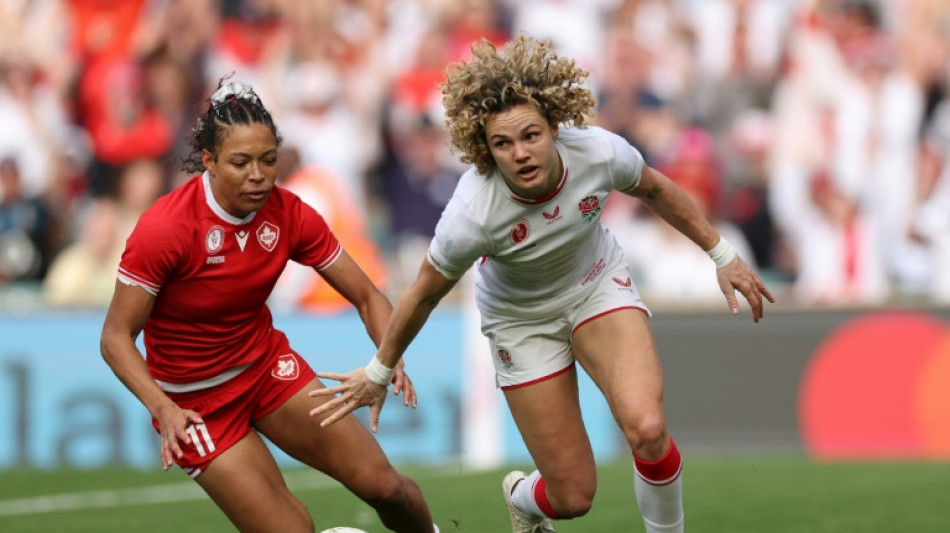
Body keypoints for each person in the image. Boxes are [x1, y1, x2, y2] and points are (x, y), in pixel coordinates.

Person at [312, 36, 774, 533]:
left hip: (597, 286)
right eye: (502, 144)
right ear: (484, 150)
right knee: (573, 496)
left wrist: (720, 253)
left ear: (555, 127)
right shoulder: (472, 212)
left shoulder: (598, 152)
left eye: (531, 135)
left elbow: (656, 188)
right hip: (519, 321)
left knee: (648, 428)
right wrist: (379, 370)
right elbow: (424, 292)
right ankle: (522, 498)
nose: (521, 153)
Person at [99, 79, 439, 533]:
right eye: (240, 163)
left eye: (268, 160)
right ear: (209, 161)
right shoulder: (165, 229)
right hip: (194, 406)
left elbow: (367, 296)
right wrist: (163, 408)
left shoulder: (290, 213)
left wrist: (387, 359)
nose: (258, 175)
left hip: (267, 370)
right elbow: (115, 338)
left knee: (385, 487)